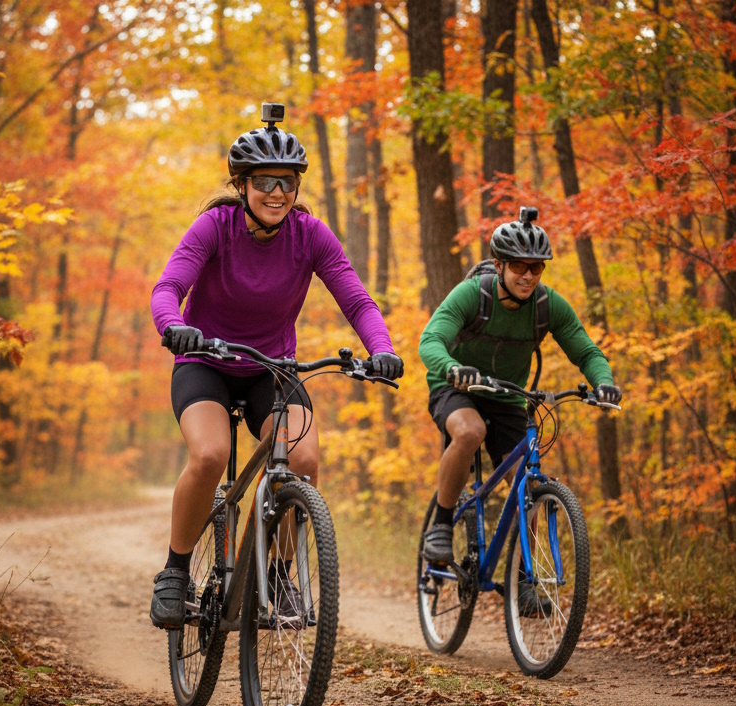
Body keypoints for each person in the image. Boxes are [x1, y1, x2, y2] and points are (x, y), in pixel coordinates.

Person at [148, 103, 404, 629]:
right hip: (206, 361)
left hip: (272, 369)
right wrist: (172, 325)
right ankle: (174, 571)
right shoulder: (213, 226)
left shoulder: (310, 235)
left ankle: (282, 575)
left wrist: (381, 349)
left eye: (287, 182)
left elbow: (356, 300)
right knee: (211, 453)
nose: (277, 193)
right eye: (264, 180)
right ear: (241, 184)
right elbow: (169, 287)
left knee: (304, 460)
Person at [418, 207, 620, 566]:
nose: (528, 276)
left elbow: (585, 350)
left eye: (537, 267)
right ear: (499, 266)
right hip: (456, 386)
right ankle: (442, 524)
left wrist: (603, 382)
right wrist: (452, 368)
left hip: (507, 394)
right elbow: (431, 339)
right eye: (518, 266)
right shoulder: (472, 295)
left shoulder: (547, 305)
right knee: (469, 432)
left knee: (525, 482)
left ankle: (526, 576)